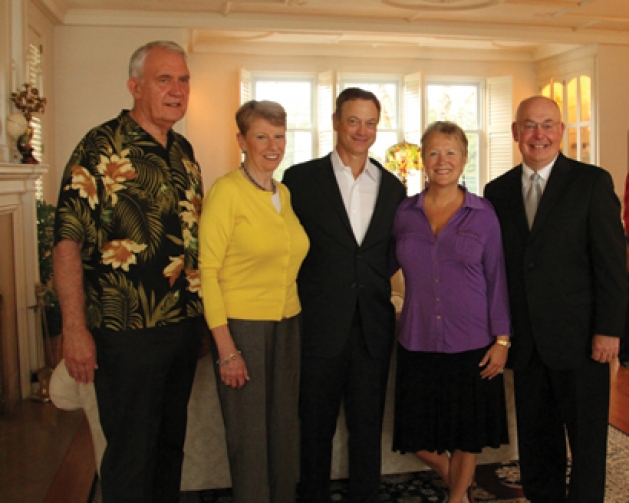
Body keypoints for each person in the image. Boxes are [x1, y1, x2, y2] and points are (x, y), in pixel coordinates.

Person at [53, 40, 204, 503]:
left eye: (183, 80)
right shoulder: (100, 146)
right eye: (164, 79)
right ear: (135, 86)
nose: (177, 89)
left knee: (169, 449)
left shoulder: (183, 150)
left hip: (181, 328)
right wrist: (74, 329)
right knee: (128, 458)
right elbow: (66, 243)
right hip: (125, 332)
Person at [484, 95, 626, 503]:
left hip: (582, 342)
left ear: (561, 131)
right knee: (536, 445)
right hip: (526, 345)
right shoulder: (498, 191)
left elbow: (612, 265)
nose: (539, 134)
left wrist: (609, 331)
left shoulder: (591, 183)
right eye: (530, 125)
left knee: (586, 446)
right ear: (515, 132)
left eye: (548, 125)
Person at [283, 87, 406, 503]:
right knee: (314, 427)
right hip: (318, 325)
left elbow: (390, 253)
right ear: (336, 121)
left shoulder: (392, 187)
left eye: (370, 122)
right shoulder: (299, 180)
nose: (362, 130)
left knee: (367, 428)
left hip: (372, 327)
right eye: (353, 120)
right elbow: (287, 249)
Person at [391, 121, 511, 503]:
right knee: (416, 436)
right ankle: (453, 476)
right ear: (423, 159)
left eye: (451, 152)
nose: (442, 161)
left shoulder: (483, 214)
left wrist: (502, 339)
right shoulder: (404, 213)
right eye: (433, 152)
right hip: (418, 338)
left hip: (472, 341)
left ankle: (458, 498)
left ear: (463, 159)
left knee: (467, 435)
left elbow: (497, 278)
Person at [198, 100, 309, 503]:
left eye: (279, 136)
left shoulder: (285, 193)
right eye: (261, 136)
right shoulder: (227, 191)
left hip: (288, 323)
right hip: (242, 327)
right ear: (242, 140)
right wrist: (226, 350)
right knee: (249, 437)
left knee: (283, 431)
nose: (272, 145)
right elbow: (207, 271)